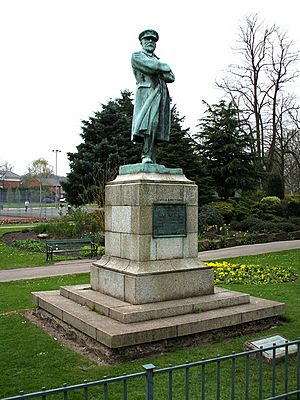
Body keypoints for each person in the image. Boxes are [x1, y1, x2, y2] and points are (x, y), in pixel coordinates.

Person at [131, 29, 175, 164]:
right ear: (141, 42)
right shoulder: (137, 56)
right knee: (149, 124)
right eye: (147, 39)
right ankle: (146, 155)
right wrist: (161, 67)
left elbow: (171, 77)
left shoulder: (157, 60)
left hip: (160, 94)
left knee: (157, 127)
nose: (150, 42)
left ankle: (151, 156)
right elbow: (149, 67)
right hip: (147, 93)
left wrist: (159, 68)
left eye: (153, 40)